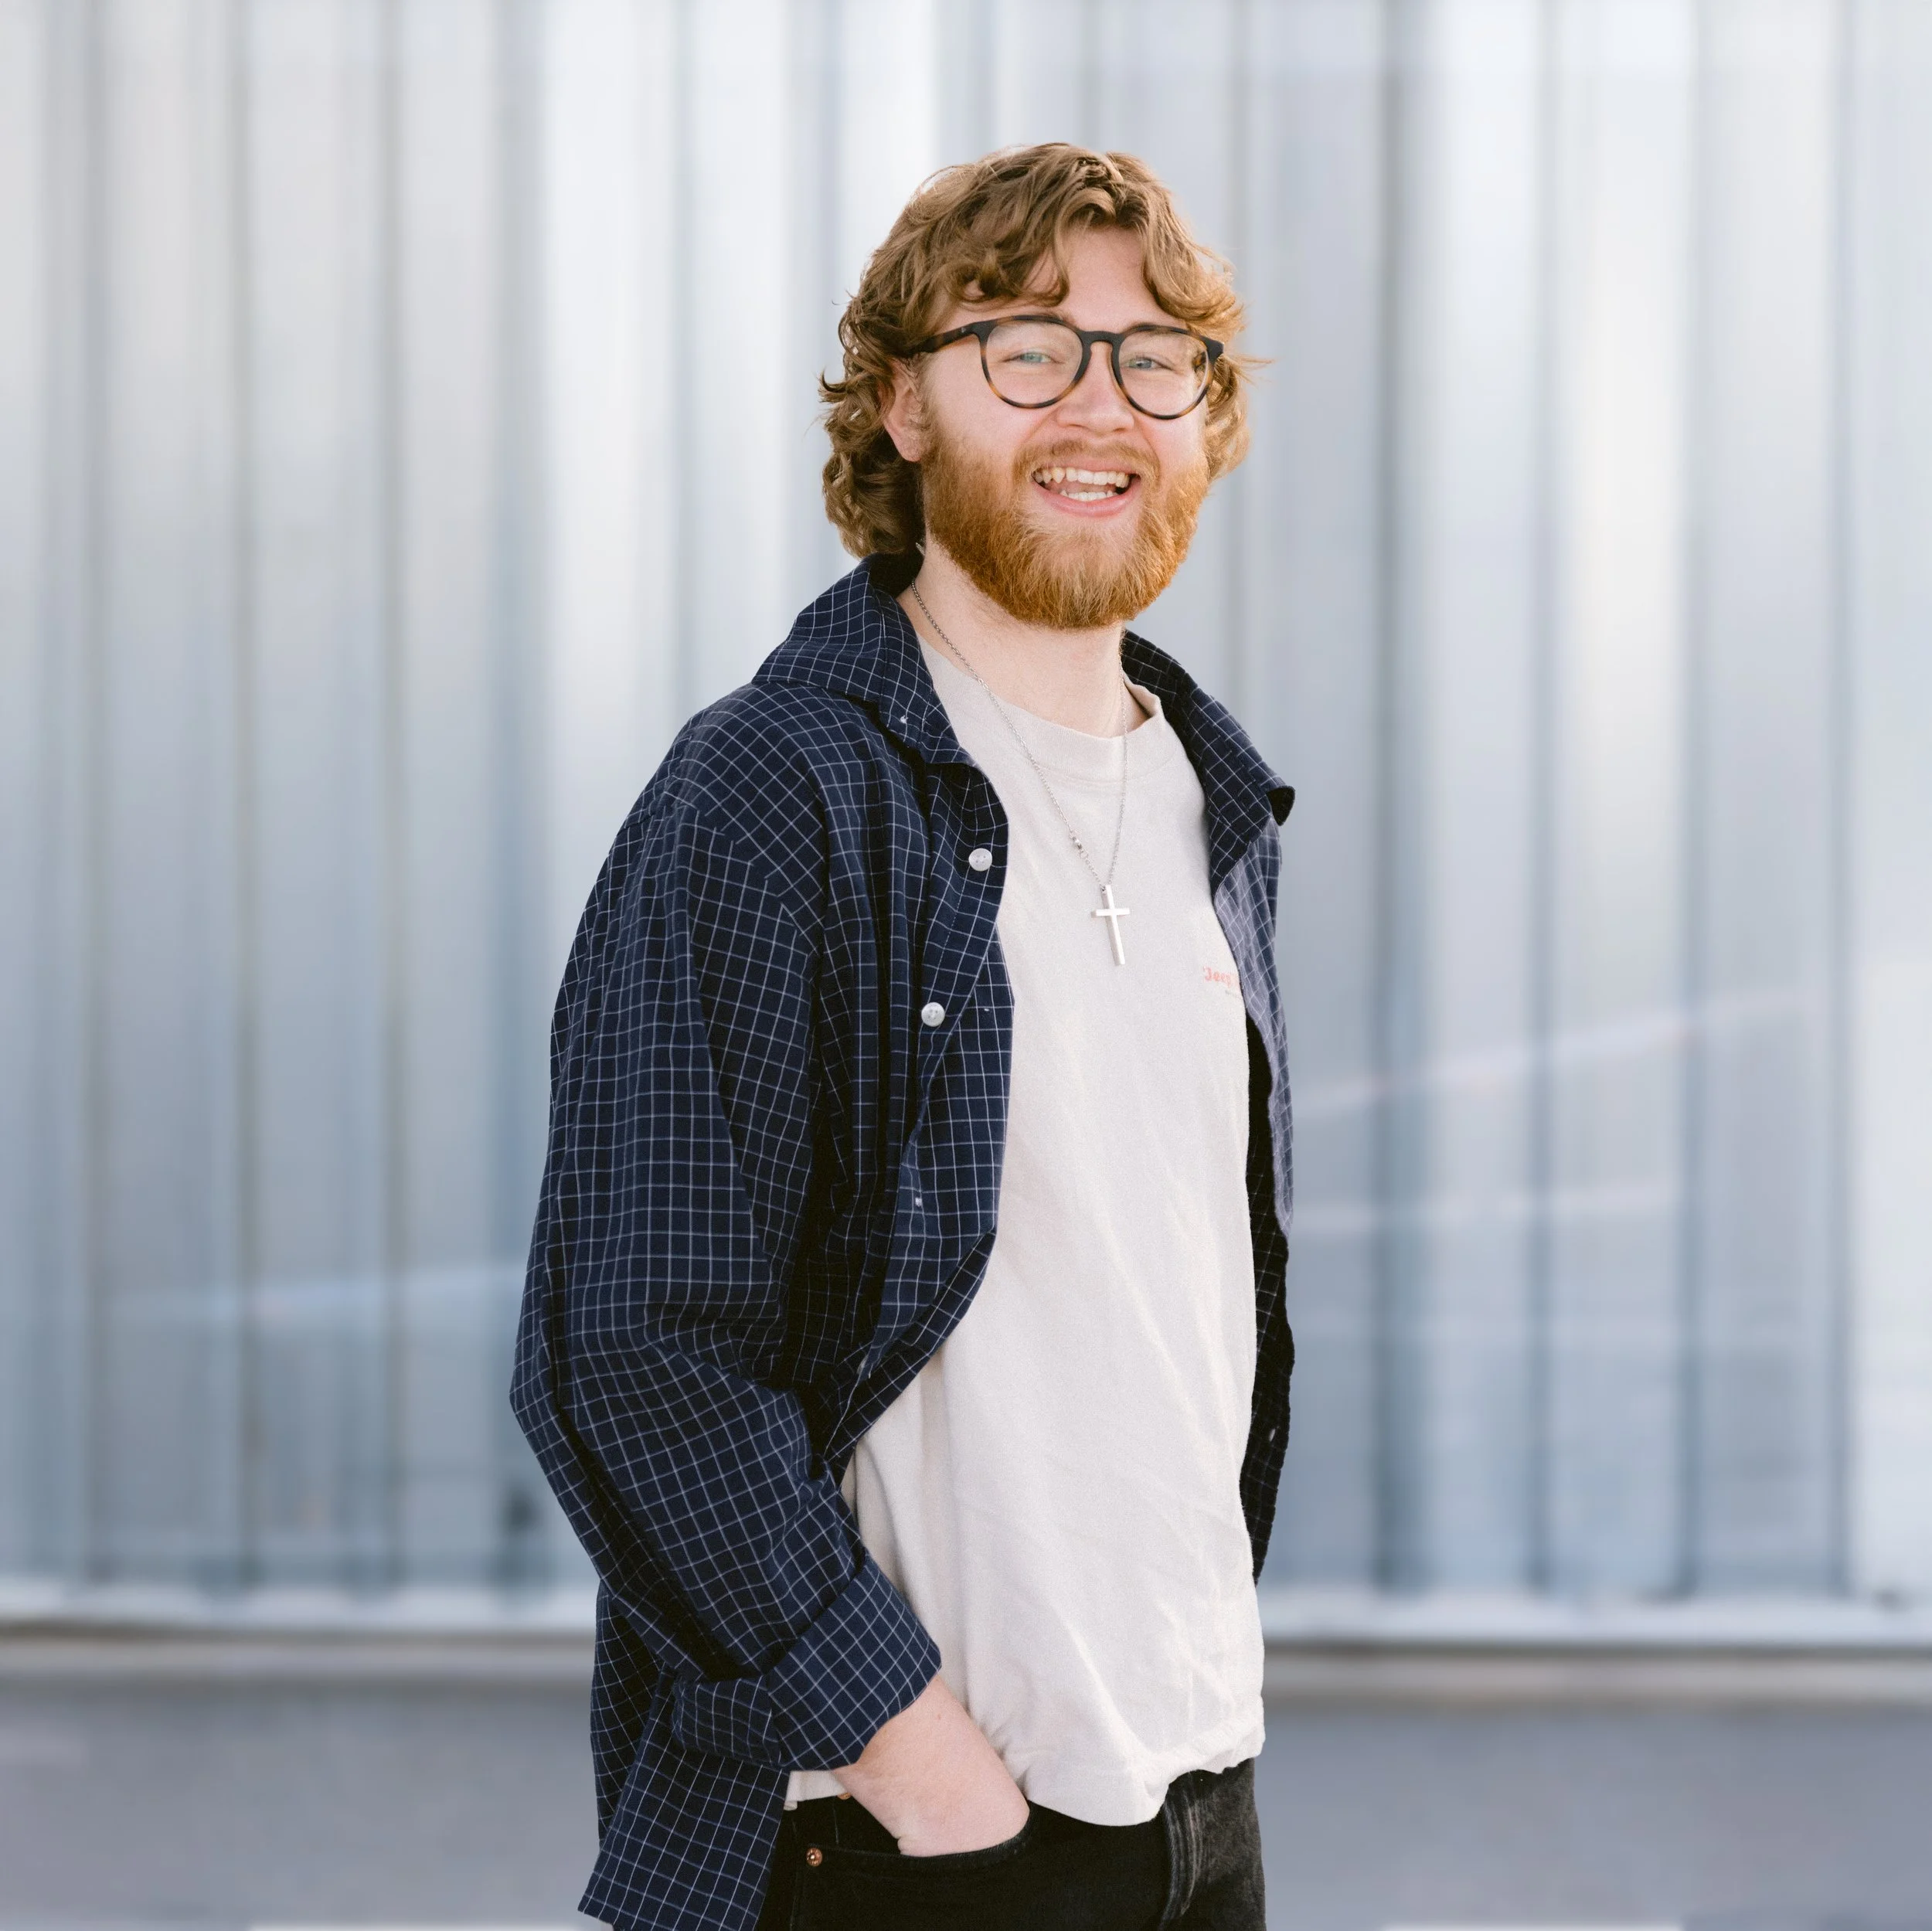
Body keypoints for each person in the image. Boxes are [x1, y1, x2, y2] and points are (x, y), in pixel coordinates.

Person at [512, 142, 1295, 1931]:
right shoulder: (771, 793)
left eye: (1152, 355)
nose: (1099, 400)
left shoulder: (1212, 801)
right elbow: (630, 1351)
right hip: (901, 1841)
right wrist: (916, 1759)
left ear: (1204, 417)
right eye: (1026, 346)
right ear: (901, 405)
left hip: (1193, 1795)